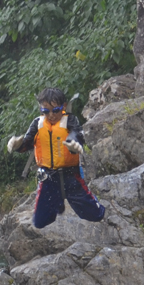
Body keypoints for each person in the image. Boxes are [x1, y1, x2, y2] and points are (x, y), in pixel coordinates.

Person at [6, 87, 106, 229]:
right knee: (40, 223)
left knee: (96, 215)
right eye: (45, 111)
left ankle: (90, 202)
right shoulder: (37, 123)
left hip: (70, 176)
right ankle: (57, 203)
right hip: (48, 177)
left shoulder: (70, 120)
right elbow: (27, 144)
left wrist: (73, 144)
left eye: (55, 110)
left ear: (64, 107)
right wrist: (17, 145)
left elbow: (76, 134)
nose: (51, 115)